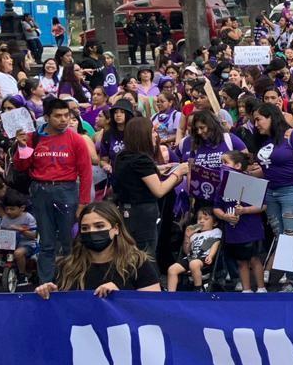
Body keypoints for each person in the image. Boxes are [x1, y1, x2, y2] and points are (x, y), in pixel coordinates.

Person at [12, 96, 95, 284]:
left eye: (67, 115)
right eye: (58, 116)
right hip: (40, 191)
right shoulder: (34, 137)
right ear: (47, 117)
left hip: (66, 190)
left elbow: (86, 173)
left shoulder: (76, 139)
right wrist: (22, 146)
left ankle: (71, 282)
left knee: (68, 242)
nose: (64, 119)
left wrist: (83, 203)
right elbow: (21, 166)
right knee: (46, 242)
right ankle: (45, 284)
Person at [34, 201, 162, 297]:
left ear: (116, 229)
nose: (92, 231)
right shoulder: (67, 267)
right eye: (85, 228)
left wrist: (122, 297)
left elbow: (153, 307)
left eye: (99, 226)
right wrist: (51, 295)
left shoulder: (137, 263)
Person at [252, 104, 293, 293]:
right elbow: (269, 167)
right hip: (271, 191)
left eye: (258, 119)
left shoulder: (292, 135)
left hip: (292, 191)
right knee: (282, 238)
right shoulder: (264, 140)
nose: (256, 124)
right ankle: (291, 279)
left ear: (271, 117)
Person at [110, 117, 189, 257]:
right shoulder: (142, 159)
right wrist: (178, 172)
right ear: (143, 135)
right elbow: (159, 190)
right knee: (146, 255)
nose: (156, 135)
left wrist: (159, 168)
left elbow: (136, 174)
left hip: (126, 211)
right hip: (142, 213)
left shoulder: (122, 156)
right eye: (152, 131)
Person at [213, 150, 266, 293]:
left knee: (254, 259)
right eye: (221, 163)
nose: (222, 166)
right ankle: (246, 289)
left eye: (225, 163)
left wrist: (245, 210)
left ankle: (261, 288)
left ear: (237, 166)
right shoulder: (222, 186)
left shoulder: (249, 183)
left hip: (251, 228)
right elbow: (216, 207)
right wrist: (224, 216)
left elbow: (263, 205)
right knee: (241, 261)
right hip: (233, 230)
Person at [167, 207, 222, 291]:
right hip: (191, 257)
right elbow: (187, 251)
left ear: (214, 223)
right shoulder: (194, 235)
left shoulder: (215, 231)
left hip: (204, 257)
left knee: (194, 264)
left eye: (206, 219)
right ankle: (170, 294)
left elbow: (216, 243)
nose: (201, 221)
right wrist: (187, 237)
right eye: (199, 219)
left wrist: (211, 255)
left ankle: (198, 289)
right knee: (172, 269)